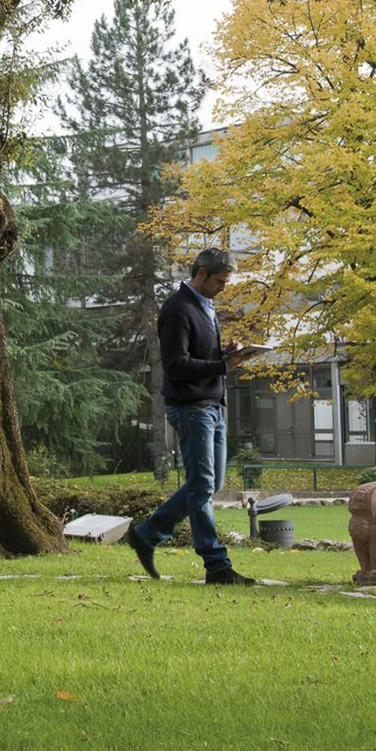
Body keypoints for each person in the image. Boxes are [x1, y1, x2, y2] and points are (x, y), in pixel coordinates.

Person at [127, 247, 257, 586]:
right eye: (219, 281)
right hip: (191, 408)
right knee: (201, 488)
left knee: (211, 484)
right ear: (200, 273)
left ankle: (147, 533)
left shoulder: (206, 307)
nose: (223, 288)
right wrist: (222, 365)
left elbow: (199, 355)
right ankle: (217, 565)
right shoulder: (178, 309)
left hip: (212, 405)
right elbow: (176, 365)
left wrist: (226, 353)